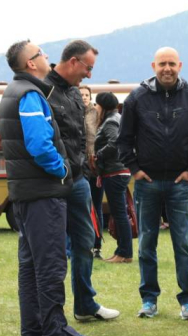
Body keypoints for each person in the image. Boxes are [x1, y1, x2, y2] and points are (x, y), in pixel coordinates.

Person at [0, 40, 96, 336]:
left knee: (30, 262)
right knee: (51, 262)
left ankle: (34, 326)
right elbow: (39, 144)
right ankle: (56, 330)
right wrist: (63, 169)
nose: (47, 57)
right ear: (30, 63)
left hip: (25, 192)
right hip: (42, 192)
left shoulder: (15, 90)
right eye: (41, 53)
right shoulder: (29, 94)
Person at [118, 47, 188, 320]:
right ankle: (149, 299)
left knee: (184, 243)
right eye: (162, 64)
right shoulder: (137, 98)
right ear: (153, 66)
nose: (167, 68)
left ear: (180, 65)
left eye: (171, 63)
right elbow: (124, 138)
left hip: (180, 183)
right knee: (146, 243)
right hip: (147, 183)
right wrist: (134, 169)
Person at [45, 40, 119, 322]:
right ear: (74, 62)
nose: (90, 74)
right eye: (88, 68)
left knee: (86, 240)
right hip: (53, 181)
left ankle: (85, 304)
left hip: (78, 180)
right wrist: (61, 169)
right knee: (52, 248)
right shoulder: (43, 90)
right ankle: (51, 312)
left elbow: (79, 138)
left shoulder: (75, 93)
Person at [92, 92, 132, 263]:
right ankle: (122, 251)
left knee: (119, 213)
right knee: (119, 212)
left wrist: (97, 155)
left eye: (97, 104)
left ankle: (125, 252)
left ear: (103, 106)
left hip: (115, 171)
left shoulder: (110, 121)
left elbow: (114, 142)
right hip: (118, 171)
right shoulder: (117, 117)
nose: (95, 108)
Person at [80, 85, 103, 259]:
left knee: (96, 206)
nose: (84, 97)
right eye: (81, 94)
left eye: (87, 95)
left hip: (95, 167)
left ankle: (97, 245)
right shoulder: (73, 112)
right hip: (79, 166)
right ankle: (81, 244)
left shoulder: (96, 114)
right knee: (81, 207)